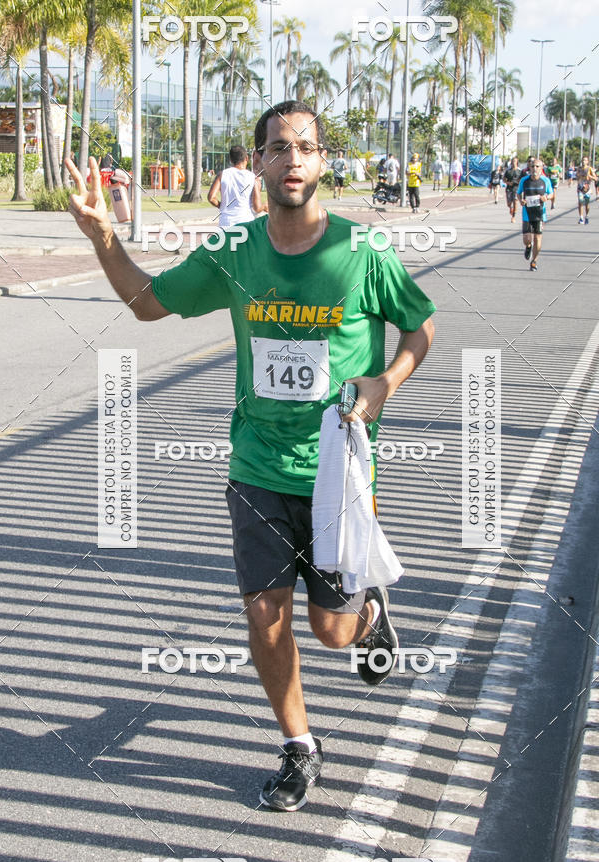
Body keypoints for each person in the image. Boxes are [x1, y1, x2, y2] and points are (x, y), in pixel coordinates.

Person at [64, 99, 436, 813]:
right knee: (265, 614)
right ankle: (299, 745)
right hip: (257, 467)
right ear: (258, 162)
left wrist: (385, 383)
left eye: (306, 147)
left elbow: (419, 327)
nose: (292, 158)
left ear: (322, 162)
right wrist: (103, 234)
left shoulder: (364, 251)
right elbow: (147, 302)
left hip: (337, 472)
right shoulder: (234, 251)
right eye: (278, 147)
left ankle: (368, 610)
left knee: (332, 633)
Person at [207, 145, 265, 227]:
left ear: (231, 159)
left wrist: (222, 206)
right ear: (246, 158)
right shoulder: (253, 178)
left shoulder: (222, 175)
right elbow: (257, 207)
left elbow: (211, 198)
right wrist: (265, 206)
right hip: (246, 222)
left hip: (226, 222)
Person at [517, 157, 553, 271]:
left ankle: (534, 261)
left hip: (540, 214)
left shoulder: (545, 180)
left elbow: (551, 194)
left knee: (538, 238)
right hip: (527, 213)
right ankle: (528, 246)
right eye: (532, 166)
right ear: (529, 168)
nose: (535, 168)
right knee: (527, 239)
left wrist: (546, 197)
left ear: (541, 168)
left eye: (537, 166)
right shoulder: (524, 180)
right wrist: (521, 201)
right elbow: (518, 193)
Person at [576, 156, 596, 224]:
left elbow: (596, 178)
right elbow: (576, 176)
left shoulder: (589, 168)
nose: (584, 161)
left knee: (587, 204)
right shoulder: (579, 168)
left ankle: (586, 216)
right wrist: (579, 175)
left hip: (587, 189)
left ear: (587, 162)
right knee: (580, 202)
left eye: (585, 160)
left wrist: (590, 176)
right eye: (583, 160)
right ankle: (581, 218)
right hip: (580, 188)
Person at [503, 156, 522, 223]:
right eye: (513, 161)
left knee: (515, 201)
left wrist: (519, 182)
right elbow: (504, 179)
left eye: (515, 161)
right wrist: (508, 183)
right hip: (509, 188)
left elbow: (522, 179)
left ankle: (513, 216)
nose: (514, 162)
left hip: (516, 188)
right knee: (509, 203)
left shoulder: (519, 171)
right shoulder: (508, 171)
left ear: (517, 162)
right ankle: (510, 207)